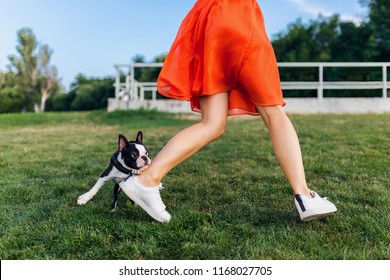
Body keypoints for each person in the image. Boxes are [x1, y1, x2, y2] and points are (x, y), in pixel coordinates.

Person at [119, 0, 337, 223]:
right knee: (273, 113)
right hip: (239, 16)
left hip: (208, 20)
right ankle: (304, 196)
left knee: (212, 124)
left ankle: (146, 179)